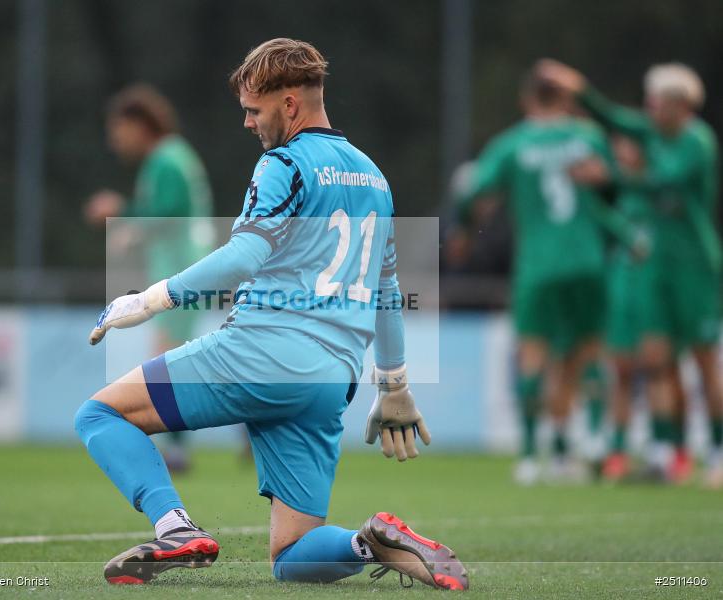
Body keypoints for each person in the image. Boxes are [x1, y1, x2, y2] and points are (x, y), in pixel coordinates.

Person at [73, 38, 468, 589]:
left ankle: (174, 527)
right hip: (330, 379)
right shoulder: (375, 177)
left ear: (288, 104)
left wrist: (150, 299)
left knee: (99, 416)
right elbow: (387, 290)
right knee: (292, 556)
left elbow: (243, 256)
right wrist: (395, 383)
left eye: (254, 110)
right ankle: (370, 541)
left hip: (261, 353)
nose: (248, 123)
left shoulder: (283, 163)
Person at [538, 60, 723, 487]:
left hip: (694, 266)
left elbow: (663, 181)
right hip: (657, 267)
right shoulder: (652, 132)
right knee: (659, 360)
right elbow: (612, 118)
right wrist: (579, 89)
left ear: (681, 105)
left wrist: (610, 176)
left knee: (704, 362)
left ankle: (717, 450)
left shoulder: (697, 142)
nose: (649, 107)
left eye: (657, 101)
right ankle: (666, 452)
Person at [451, 68, 639, 485]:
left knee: (534, 356)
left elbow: (473, 191)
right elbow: (616, 187)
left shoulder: (513, 144)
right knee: (585, 354)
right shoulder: (588, 137)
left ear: (527, 101)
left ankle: (529, 456)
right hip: (587, 261)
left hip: (538, 266)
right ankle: (588, 441)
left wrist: (464, 229)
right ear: (565, 100)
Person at [83, 84, 214, 472]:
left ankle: (178, 451)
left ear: (140, 125)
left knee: (167, 360)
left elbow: (168, 211)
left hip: (183, 272)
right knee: (175, 360)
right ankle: (194, 444)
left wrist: (122, 212)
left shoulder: (165, 160)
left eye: (119, 129)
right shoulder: (172, 156)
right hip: (185, 269)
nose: (115, 140)